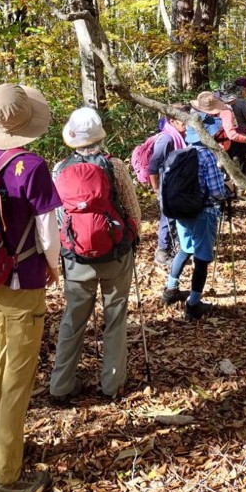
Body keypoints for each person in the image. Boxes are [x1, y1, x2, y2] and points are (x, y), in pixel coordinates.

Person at [0, 83, 62, 492]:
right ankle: (5, 478)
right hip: (23, 283)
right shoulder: (32, 166)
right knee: (17, 380)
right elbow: (48, 230)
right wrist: (55, 268)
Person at [49, 108, 141, 402]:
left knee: (73, 320)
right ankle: (111, 385)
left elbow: (58, 215)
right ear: (100, 135)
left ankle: (60, 386)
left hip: (76, 259)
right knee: (115, 318)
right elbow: (132, 208)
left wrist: (70, 246)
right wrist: (131, 237)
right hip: (115, 253)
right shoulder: (114, 166)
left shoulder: (60, 169)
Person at [160, 92, 230, 311]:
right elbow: (218, 192)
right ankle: (194, 304)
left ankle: (171, 290)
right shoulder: (207, 155)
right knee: (202, 258)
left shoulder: (180, 153)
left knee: (184, 249)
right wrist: (228, 190)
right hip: (203, 213)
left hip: (181, 211)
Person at [148, 105, 188, 271]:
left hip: (177, 185)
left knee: (175, 217)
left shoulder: (179, 136)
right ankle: (163, 252)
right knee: (167, 219)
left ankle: (176, 249)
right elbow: (153, 166)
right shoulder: (167, 139)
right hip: (167, 187)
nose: (187, 123)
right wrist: (157, 189)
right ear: (172, 121)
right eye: (183, 120)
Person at [217, 85, 246, 173]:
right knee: (240, 161)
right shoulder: (230, 108)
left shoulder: (216, 106)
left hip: (221, 140)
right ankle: (238, 183)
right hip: (238, 136)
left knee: (227, 162)